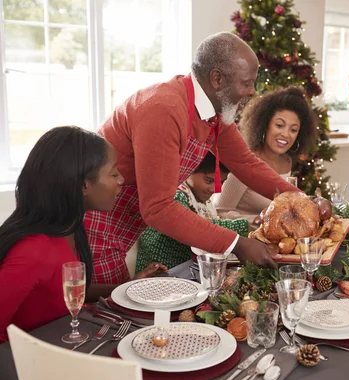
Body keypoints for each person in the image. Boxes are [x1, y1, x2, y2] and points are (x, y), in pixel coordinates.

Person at [85, 32, 299, 284]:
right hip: (97, 220)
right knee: (100, 311)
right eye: (246, 82)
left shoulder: (213, 111)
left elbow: (246, 163)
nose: (252, 91)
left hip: (127, 219)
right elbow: (158, 208)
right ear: (217, 79)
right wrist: (236, 243)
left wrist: (299, 200)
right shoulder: (164, 109)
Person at [0, 126, 167, 342]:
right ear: (83, 185)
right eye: (114, 173)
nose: (121, 180)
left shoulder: (70, 228)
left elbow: (67, 292)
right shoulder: (33, 250)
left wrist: (129, 287)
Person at [214, 86, 317, 222]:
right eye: (279, 125)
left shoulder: (287, 162)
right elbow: (219, 211)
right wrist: (257, 220)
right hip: (242, 238)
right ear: (264, 125)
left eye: (293, 130)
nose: (285, 134)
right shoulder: (246, 161)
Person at [136, 152, 248, 270]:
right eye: (209, 181)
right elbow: (200, 228)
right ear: (189, 170)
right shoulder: (176, 195)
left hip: (183, 269)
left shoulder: (203, 200)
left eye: (221, 182)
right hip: (159, 274)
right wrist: (245, 226)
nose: (215, 189)